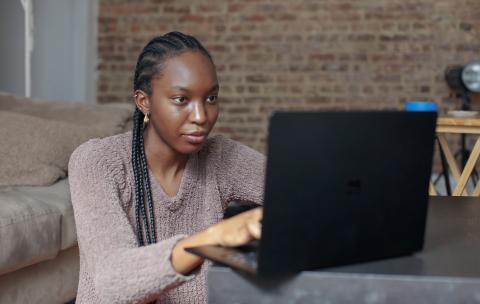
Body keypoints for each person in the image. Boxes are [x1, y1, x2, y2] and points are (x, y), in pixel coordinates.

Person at [68, 31, 265, 303]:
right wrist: (213, 239)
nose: (201, 117)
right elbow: (113, 280)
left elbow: (298, 189)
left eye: (210, 98)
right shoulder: (97, 161)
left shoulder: (220, 157)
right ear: (143, 102)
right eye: (181, 100)